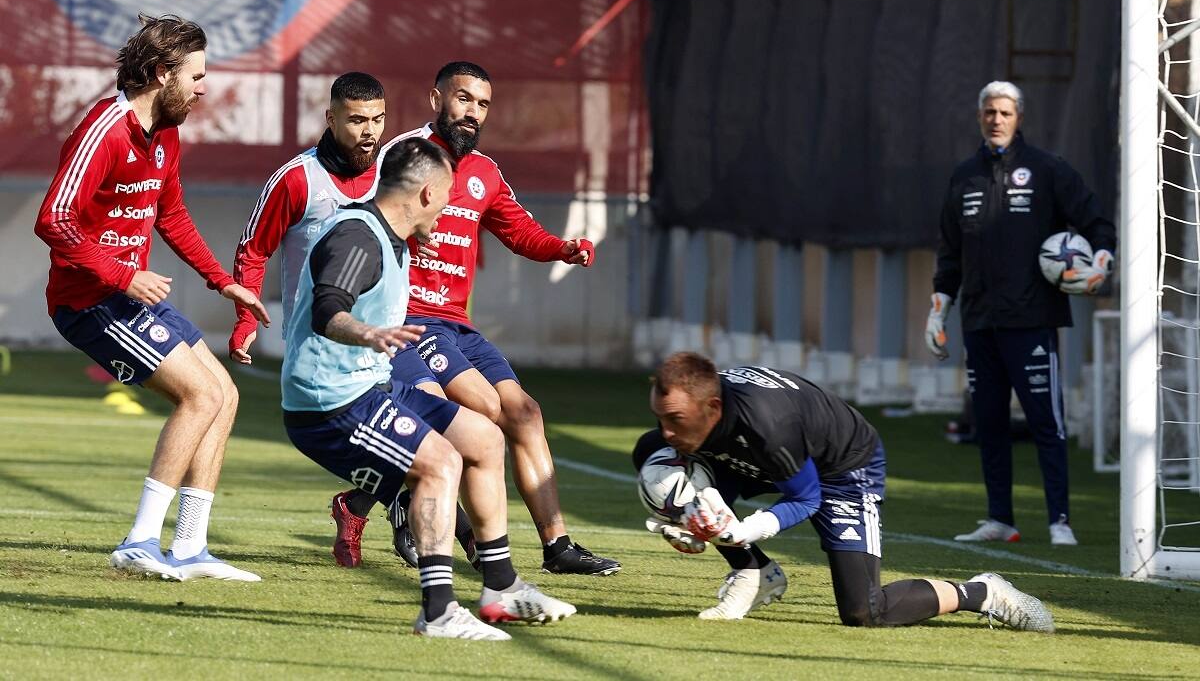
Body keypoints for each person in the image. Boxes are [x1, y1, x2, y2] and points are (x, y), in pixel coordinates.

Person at [331, 61, 620, 576]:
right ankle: (470, 543)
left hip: (458, 323)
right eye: (464, 99)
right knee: (474, 412)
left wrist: (562, 249)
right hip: (409, 317)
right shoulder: (400, 156)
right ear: (435, 97)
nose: (472, 113)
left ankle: (557, 546)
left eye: (482, 104)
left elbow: (518, 230)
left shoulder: (484, 172)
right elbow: (359, 215)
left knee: (524, 413)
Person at [281, 136, 575, 639]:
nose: (450, 209)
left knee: (484, 438)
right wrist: (368, 333)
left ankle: (500, 588)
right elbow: (330, 309)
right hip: (329, 402)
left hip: (372, 387)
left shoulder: (393, 237)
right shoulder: (360, 237)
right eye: (445, 197)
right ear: (423, 194)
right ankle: (438, 611)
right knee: (440, 463)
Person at [33, 14, 268, 581]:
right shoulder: (104, 129)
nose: (203, 87)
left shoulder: (164, 131)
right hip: (88, 303)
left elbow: (171, 213)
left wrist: (223, 280)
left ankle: (189, 547)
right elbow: (53, 220)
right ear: (162, 72)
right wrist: (120, 275)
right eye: (196, 76)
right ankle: (140, 540)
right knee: (199, 397)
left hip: (123, 297)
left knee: (224, 395)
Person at [230, 71, 476, 569]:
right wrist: (246, 317)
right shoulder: (298, 179)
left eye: (378, 120)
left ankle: (480, 560)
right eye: (357, 120)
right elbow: (253, 249)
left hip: (386, 338)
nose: (369, 131)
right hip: (327, 348)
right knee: (423, 454)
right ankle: (463, 564)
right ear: (331, 119)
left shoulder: (392, 171)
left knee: (446, 424)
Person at [635, 352, 1055, 632]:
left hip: (843, 469)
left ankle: (983, 592)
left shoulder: (767, 424)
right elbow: (674, 461)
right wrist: (692, 518)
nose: (667, 431)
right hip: (776, 456)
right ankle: (754, 572)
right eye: (660, 418)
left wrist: (742, 531)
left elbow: (806, 497)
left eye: (674, 420)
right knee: (655, 462)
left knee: (865, 612)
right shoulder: (694, 417)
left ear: (713, 408)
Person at [925, 81, 1117, 547]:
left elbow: (1095, 222)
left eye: (1005, 113)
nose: (996, 119)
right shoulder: (964, 176)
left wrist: (1100, 263)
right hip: (979, 322)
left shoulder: (1048, 170)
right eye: (989, 112)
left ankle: (1060, 521)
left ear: (1019, 117)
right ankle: (1000, 519)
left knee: (1045, 422)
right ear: (979, 117)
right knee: (988, 423)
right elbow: (951, 253)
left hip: (1031, 321)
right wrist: (938, 311)